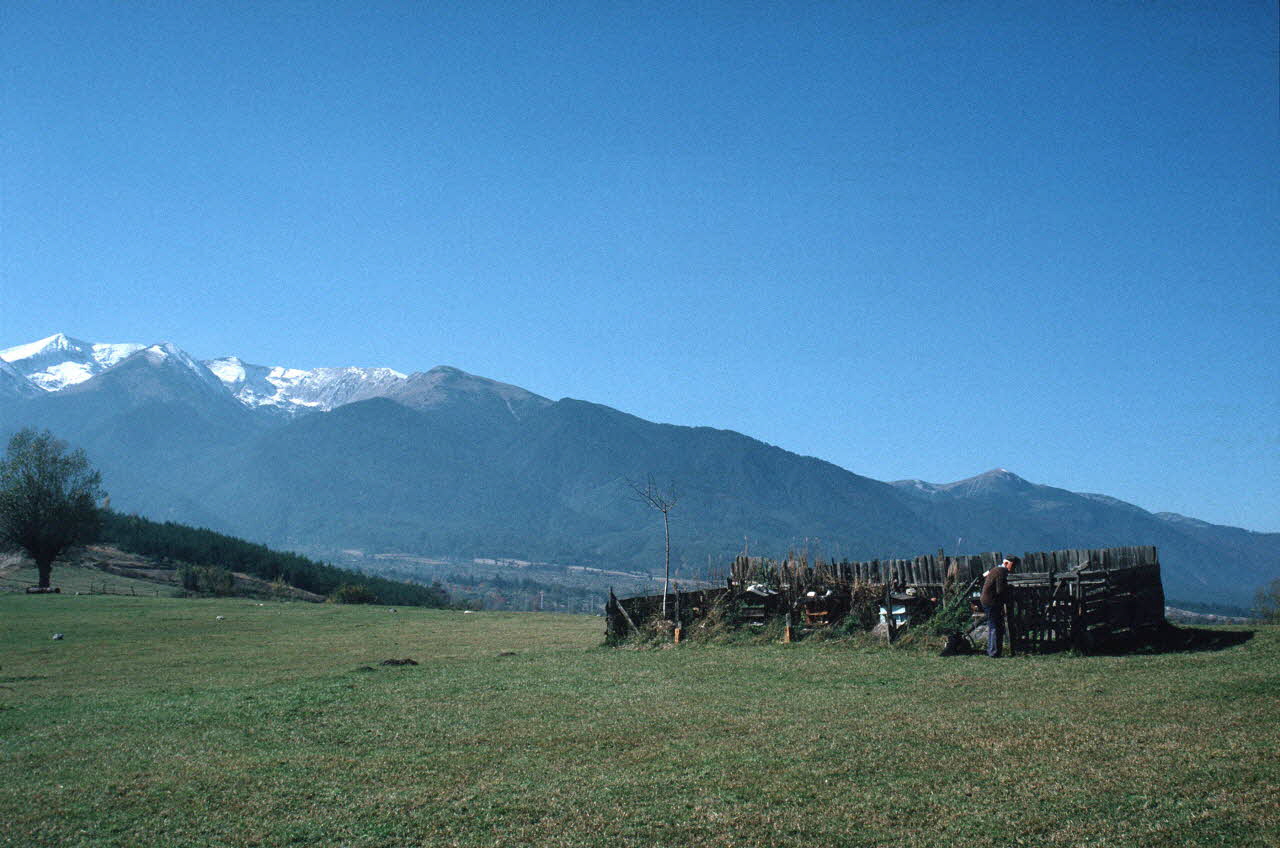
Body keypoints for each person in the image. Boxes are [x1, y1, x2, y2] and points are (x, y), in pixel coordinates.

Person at [980, 555, 1018, 657]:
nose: (1013, 568)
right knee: (995, 626)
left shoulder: (995, 569)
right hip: (991, 601)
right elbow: (1000, 590)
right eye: (1012, 565)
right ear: (1006, 563)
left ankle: (993, 651)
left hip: (988, 600)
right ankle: (994, 652)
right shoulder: (1001, 571)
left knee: (994, 625)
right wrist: (1009, 589)